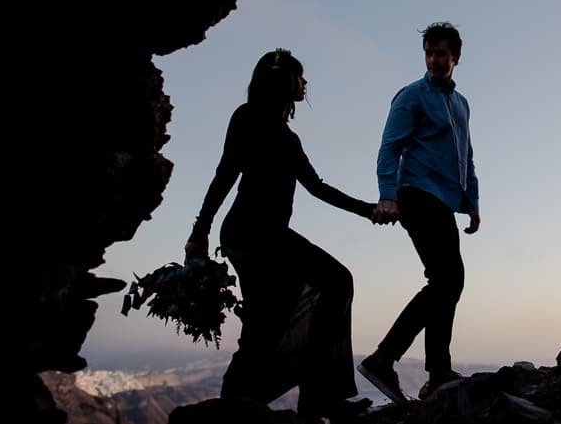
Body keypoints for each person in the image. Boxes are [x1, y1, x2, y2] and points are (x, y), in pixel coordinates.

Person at [184, 48, 374, 422]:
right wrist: (198, 232)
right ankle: (314, 400)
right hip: (256, 237)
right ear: (285, 80)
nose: (305, 84)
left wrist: (369, 211)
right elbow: (225, 175)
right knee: (334, 283)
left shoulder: (287, 137)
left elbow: (317, 188)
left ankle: (242, 405)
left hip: (257, 237)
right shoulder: (248, 118)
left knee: (265, 325)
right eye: (300, 76)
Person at [359, 22, 481, 403]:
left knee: (447, 281)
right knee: (448, 279)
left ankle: (430, 369)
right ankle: (393, 360)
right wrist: (387, 194)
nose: (433, 59)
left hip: (444, 200)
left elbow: (467, 155)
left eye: (441, 53)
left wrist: (472, 202)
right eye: (429, 52)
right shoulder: (411, 96)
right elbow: (388, 147)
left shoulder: (462, 105)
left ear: (455, 57)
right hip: (415, 192)